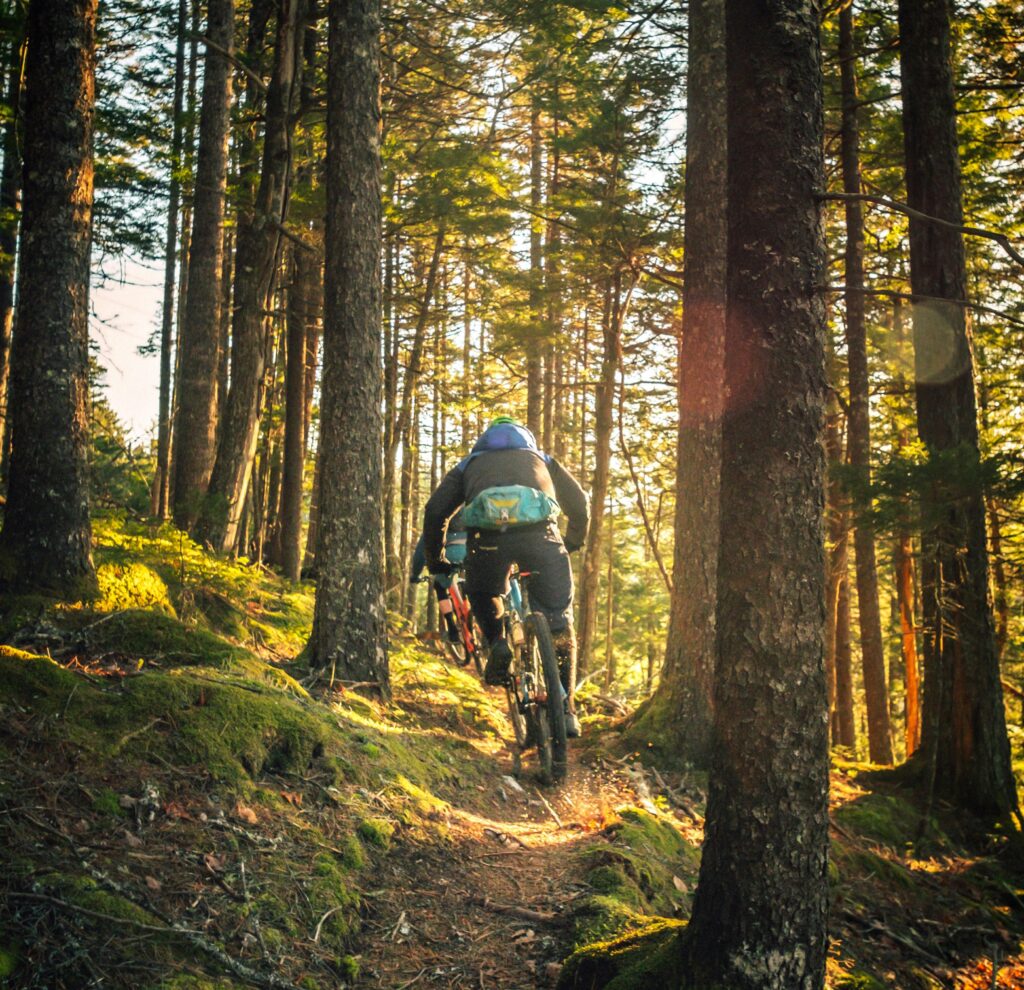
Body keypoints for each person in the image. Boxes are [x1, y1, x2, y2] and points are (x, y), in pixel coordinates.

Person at [422, 416, 589, 737]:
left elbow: (434, 511)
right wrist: (572, 543)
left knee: (483, 592)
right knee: (559, 623)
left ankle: (497, 643)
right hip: (541, 538)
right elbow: (579, 502)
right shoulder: (542, 459)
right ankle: (567, 709)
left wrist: (437, 561)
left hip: (488, 542)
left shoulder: (469, 464)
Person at [410, 510, 469, 653]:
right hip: (471, 551)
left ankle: (452, 628)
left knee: (440, 585)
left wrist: (415, 575)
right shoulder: (468, 509)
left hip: (451, 555)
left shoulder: (437, 516)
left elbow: (419, 554)